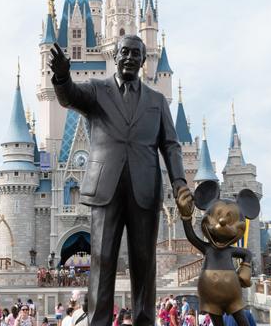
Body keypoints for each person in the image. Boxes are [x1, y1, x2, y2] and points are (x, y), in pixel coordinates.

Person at [49, 36, 188, 326]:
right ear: (115, 55)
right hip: (105, 188)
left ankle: (145, 321)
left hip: (145, 188)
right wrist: (61, 75)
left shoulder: (157, 101)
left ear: (143, 60)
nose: (129, 58)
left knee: (144, 263)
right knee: (101, 260)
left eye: (136, 54)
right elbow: (69, 96)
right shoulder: (98, 90)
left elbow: (171, 145)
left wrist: (179, 182)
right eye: (124, 52)